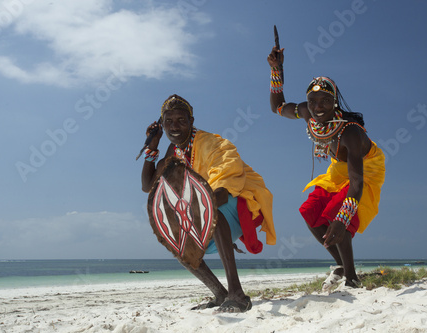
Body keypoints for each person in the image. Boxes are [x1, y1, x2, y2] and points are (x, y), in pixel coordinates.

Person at [141, 94, 276, 312]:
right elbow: (148, 186)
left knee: (214, 211)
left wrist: (196, 213)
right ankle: (220, 294)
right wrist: (152, 145)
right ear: (162, 124)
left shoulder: (214, 144)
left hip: (237, 206)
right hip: (202, 214)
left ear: (191, 122)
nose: (174, 127)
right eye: (169, 122)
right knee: (176, 238)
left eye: (181, 120)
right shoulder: (173, 151)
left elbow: (221, 190)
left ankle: (237, 294)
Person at [267, 46, 385, 290]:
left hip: (365, 170)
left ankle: (352, 278)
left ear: (334, 102)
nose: (318, 107)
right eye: (312, 101)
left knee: (335, 214)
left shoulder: (350, 132)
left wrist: (342, 219)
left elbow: (357, 184)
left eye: (325, 101)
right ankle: (341, 266)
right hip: (337, 170)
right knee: (309, 210)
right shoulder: (306, 113)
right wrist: (277, 70)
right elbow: (277, 107)